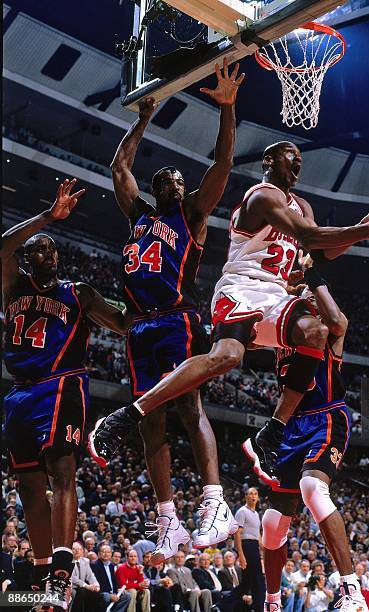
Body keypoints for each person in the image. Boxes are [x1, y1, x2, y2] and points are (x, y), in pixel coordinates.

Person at [88, 142, 369, 482]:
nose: (298, 163)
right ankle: (128, 414)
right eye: (292, 156)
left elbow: (319, 251)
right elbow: (309, 235)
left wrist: (367, 224)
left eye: (301, 159)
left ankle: (271, 433)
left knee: (316, 332)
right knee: (227, 357)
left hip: (275, 294)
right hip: (240, 287)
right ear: (269, 160)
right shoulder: (261, 196)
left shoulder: (301, 205)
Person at [88, 58, 245, 563]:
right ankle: (167, 519)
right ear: (158, 188)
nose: (175, 183)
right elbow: (119, 168)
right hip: (138, 327)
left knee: (187, 406)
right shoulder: (140, 213)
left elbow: (221, 166)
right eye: (168, 180)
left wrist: (227, 110)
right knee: (147, 422)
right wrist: (143, 117)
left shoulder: (193, 215)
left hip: (177, 318)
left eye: (180, 179)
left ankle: (215, 502)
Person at [1, 180, 130, 609]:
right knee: (29, 488)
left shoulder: (78, 293)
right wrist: (45, 218)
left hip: (62, 385)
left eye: (53, 249)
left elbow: (122, 322)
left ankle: (61, 572)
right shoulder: (13, 287)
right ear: (27, 259)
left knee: (61, 472)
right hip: (19, 394)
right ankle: (40, 578)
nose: (48, 253)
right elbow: (1, 247)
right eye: (39, 248)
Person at [258, 252, 369, 612]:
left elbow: (340, 319)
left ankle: (352, 592)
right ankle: (272, 601)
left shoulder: (327, 331)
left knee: (312, 486)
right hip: (291, 428)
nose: (304, 301)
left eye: (309, 298)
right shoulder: (282, 335)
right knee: (273, 524)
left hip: (326, 417)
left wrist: (311, 274)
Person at [234, 487, 266, 610]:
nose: (253, 496)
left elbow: (258, 535)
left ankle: (222, 606)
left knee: (247, 582)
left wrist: (265, 551)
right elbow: (237, 533)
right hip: (246, 545)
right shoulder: (242, 511)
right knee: (258, 581)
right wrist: (241, 554)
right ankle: (259, 608)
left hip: (254, 546)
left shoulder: (257, 514)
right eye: (250, 494)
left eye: (255, 494)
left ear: (258, 497)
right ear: (246, 497)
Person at [91, 544, 132, 612]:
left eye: (108, 552)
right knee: (106, 596)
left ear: (111, 554)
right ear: (98, 553)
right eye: (103, 552)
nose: (106, 554)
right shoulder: (94, 565)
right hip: (101, 593)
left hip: (112, 592)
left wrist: (118, 589)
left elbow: (113, 582)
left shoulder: (111, 566)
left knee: (127, 596)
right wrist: (111, 595)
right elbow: (97, 584)